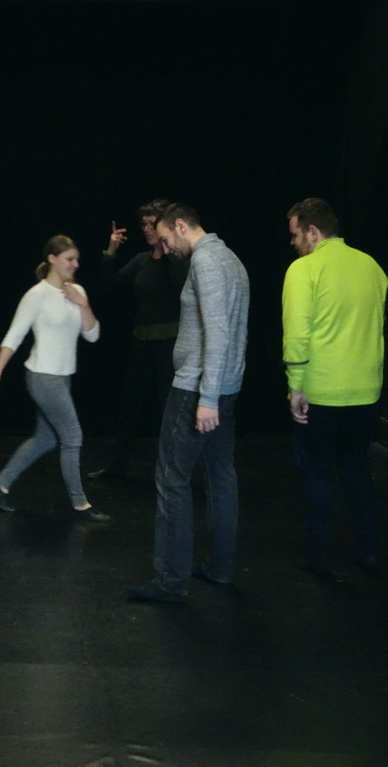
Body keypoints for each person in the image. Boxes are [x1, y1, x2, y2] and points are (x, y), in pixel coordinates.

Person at [128, 203, 249, 603]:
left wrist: (207, 397)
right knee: (220, 473)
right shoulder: (231, 259)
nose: (165, 247)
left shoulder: (206, 262)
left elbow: (218, 332)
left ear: (181, 226)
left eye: (166, 238)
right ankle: (220, 567)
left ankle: (170, 579)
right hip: (223, 387)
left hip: (198, 389)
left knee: (171, 477)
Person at [282, 198, 386, 576]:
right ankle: (369, 550)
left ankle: (319, 557)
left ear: (313, 232)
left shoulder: (303, 269)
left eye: (296, 234)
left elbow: (297, 334)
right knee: (356, 468)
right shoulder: (372, 266)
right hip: (366, 392)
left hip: (320, 392)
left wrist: (296, 387)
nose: (293, 242)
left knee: (315, 472)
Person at [0, 235, 109, 522]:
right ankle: (80, 504)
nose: (75, 264)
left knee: (46, 438)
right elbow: (14, 336)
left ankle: (0, 483)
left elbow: (93, 335)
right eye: (69, 259)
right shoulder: (36, 295)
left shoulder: (77, 291)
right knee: (72, 436)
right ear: (52, 259)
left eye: (77, 260)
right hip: (42, 377)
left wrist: (82, 304)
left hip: (63, 378)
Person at [88, 199, 188, 480]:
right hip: (141, 342)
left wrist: (168, 251)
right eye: (143, 224)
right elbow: (108, 288)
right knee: (129, 406)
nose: (145, 229)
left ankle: (176, 471)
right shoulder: (141, 261)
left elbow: (179, 285)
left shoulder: (179, 259)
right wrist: (111, 251)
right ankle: (116, 467)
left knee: (169, 408)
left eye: (151, 224)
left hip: (170, 343)